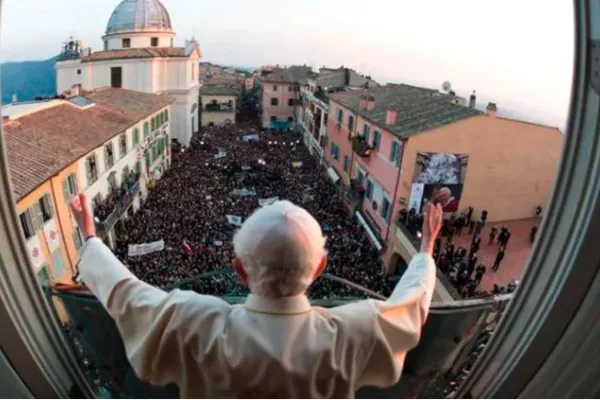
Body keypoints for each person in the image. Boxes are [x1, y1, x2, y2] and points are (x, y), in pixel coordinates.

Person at [70, 193, 444, 398]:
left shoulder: (193, 321)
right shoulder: (354, 331)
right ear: (320, 268)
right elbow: (410, 308)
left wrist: (91, 241)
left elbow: (127, 295)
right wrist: (425, 251)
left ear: (238, 269)